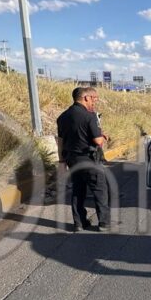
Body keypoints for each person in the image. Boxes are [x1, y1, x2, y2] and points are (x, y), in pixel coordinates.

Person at [56, 87, 111, 232]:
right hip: (88, 158)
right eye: (93, 98)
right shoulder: (89, 116)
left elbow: (60, 141)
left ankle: (79, 223)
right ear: (85, 98)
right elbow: (98, 141)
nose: (95, 101)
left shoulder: (62, 117)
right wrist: (102, 137)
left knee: (78, 190)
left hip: (71, 159)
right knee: (100, 189)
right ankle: (104, 223)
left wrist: (61, 161)